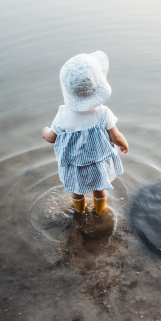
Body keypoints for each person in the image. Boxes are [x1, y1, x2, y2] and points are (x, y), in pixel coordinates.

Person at [42, 51, 129, 213]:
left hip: (75, 166)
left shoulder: (62, 115)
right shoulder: (103, 113)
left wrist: (45, 131)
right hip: (98, 164)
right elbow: (116, 137)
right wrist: (124, 145)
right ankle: (100, 211)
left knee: (76, 191)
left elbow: (51, 138)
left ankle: (79, 212)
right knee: (100, 188)